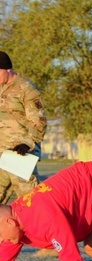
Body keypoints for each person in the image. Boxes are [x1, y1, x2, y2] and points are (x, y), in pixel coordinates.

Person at [0, 51, 46, 204]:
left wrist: (27, 143)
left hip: (19, 154)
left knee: (31, 202)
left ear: (7, 69)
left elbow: (38, 121)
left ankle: (42, 228)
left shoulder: (26, 89)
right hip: (1, 154)